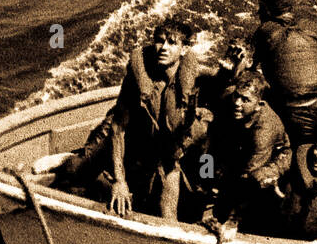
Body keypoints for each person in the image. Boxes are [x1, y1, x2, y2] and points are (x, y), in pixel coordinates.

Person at [54, 17, 213, 221]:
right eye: (159, 41)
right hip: (128, 134)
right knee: (74, 170)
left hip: (164, 150)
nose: (163, 48)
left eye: (172, 43)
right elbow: (118, 127)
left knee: (168, 215)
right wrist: (119, 181)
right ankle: (64, 160)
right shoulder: (139, 79)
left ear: (183, 49)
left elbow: (222, 87)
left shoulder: (192, 78)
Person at [198, 71, 290, 235]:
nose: (237, 103)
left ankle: (241, 220)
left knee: (258, 177)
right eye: (237, 96)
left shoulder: (265, 128)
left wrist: (232, 219)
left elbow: (247, 177)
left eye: (245, 100)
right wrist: (206, 187)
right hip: (239, 142)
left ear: (258, 104)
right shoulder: (229, 98)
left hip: (274, 158)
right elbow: (211, 146)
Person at [251, 0, 317, 147]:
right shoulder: (310, 26)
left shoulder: (265, 31)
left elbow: (250, 66)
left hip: (293, 110)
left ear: (267, 11)